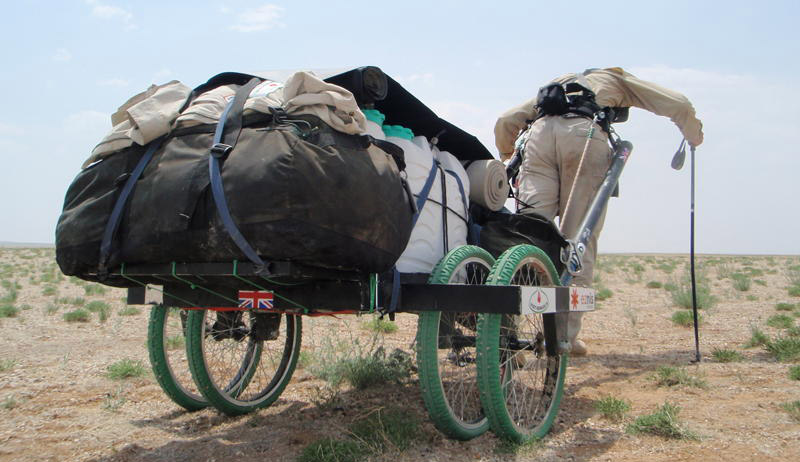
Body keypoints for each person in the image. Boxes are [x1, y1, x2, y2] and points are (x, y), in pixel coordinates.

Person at [494, 67, 704, 355]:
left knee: (529, 238)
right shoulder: (615, 79)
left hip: (538, 139)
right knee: (578, 239)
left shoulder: (559, 83)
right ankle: (563, 338)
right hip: (584, 133)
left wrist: (508, 155)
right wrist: (693, 136)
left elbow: (505, 121)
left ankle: (506, 337)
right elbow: (677, 103)